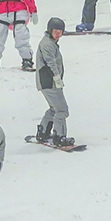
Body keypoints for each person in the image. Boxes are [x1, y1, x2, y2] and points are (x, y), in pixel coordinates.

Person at [35, 17, 74, 147]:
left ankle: (43, 132)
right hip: (49, 81)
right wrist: (56, 77)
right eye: (56, 31)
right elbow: (50, 62)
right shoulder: (47, 44)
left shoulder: (51, 42)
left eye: (60, 32)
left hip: (47, 82)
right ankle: (59, 137)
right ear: (50, 30)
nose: (58, 34)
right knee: (62, 110)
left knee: (54, 109)